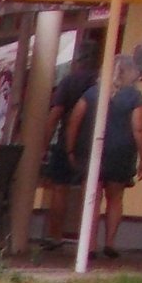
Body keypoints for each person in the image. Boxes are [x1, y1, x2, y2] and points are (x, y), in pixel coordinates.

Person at [71, 65, 142, 258]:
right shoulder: (134, 96)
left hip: (92, 151)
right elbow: (139, 128)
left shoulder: (91, 93)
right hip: (121, 152)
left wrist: (70, 148)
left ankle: (90, 245)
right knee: (115, 198)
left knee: (92, 199)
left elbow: (75, 121)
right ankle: (110, 243)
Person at [40, 52, 100, 245]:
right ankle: (87, 240)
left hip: (67, 140)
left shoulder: (68, 82)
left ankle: (55, 235)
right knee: (90, 193)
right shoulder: (101, 84)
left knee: (60, 189)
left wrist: (44, 144)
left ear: (76, 63)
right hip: (94, 142)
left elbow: (55, 114)